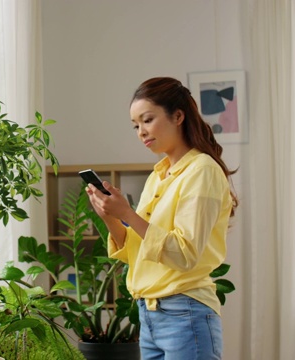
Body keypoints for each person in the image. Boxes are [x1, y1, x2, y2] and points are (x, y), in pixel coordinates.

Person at [85, 77, 238, 360]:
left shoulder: (202, 170)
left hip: (185, 312)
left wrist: (128, 214)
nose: (141, 132)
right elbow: (137, 253)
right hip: (150, 314)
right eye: (135, 125)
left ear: (178, 116)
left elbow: (184, 254)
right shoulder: (158, 175)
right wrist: (110, 216)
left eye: (147, 120)